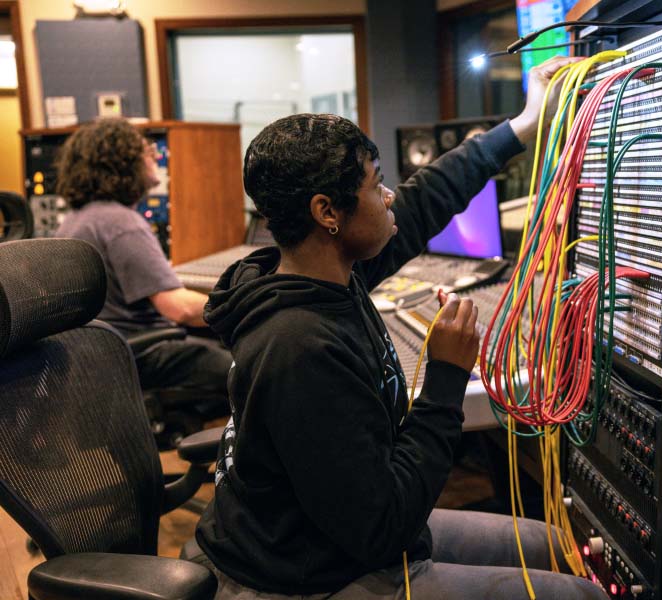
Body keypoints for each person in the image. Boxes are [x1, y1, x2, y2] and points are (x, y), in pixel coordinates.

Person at [196, 56, 606, 599]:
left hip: (336, 531)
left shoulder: (324, 271)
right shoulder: (299, 346)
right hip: (306, 575)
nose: (390, 195)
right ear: (328, 212)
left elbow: (421, 203)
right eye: (376, 184)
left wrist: (524, 126)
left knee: (555, 544)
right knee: (583, 595)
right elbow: (381, 528)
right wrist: (445, 378)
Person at [54, 119, 231, 398]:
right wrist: (242, 305)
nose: (155, 156)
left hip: (102, 354)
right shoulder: (121, 222)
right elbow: (179, 309)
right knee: (249, 370)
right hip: (142, 352)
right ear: (122, 162)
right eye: (147, 151)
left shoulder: (74, 221)